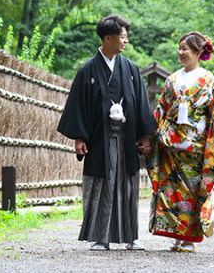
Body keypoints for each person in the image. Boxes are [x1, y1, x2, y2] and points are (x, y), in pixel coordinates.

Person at [57, 14, 158, 251]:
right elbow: (78, 106)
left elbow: (142, 105)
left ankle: (131, 237)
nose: (126, 41)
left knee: (128, 185)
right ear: (108, 38)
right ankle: (100, 237)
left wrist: (144, 136)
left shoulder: (131, 69)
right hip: (99, 140)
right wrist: (79, 138)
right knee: (101, 184)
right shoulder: (88, 70)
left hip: (126, 138)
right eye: (123, 37)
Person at [146, 31, 214, 253]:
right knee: (171, 188)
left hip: (195, 145)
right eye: (179, 48)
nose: (181, 52)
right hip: (170, 144)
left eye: (185, 49)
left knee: (192, 191)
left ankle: (189, 239)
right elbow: (161, 109)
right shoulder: (171, 79)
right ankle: (176, 235)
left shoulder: (209, 81)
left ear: (199, 52)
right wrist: (147, 132)